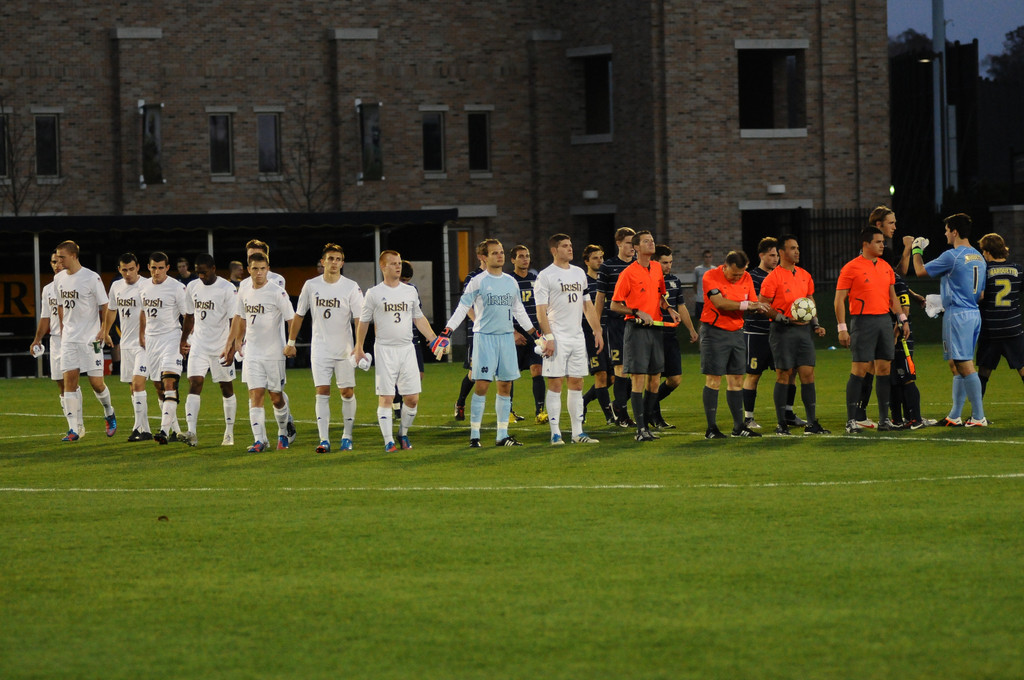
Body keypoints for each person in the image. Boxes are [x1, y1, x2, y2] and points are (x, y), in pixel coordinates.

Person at [438, 238, 541, 447]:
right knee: (482, 385)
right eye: (494, 253)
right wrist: (446, 332)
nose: (500, 255)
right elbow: (462, 307)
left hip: (506, 339)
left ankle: (502, 435)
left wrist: (535, 334)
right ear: (484, 257)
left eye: (501, 252)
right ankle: (474, 436)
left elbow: (518, 311)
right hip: (485, 338)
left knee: (505, 385)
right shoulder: (478, 281)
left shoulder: (510, 281)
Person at [353, 250, 443, 452]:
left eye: (399, 263)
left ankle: (403, 433)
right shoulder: (374, 293)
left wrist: (434, 339)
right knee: (386, 397)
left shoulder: (410, 291)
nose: (398, 266)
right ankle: (388, 441)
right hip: (385, 350)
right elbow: (364, 321)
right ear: (383, 266)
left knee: (412, 398)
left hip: (407, 349)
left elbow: (418, 318)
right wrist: (358, 347)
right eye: (393, 263)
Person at [285, 244, 364, 453]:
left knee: (347, 392)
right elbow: (299, 314)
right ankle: (324, 440)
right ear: (323, 262)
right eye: (330, 258)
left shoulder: (351, 286)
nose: (334, 262)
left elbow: (359, 319)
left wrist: (359, 346)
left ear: (342, 263)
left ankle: (347, 436)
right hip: (320, 348)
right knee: (322, 391)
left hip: (345, 349)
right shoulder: (311, 285)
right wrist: (291, 342)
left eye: (338, 259)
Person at [911, 214, 987, 426]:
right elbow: (980, 294)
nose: (945, 233)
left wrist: (917, 249)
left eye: (946, 230)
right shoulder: (979, 257)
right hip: (973, 312)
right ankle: (954, 415)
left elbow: (920, 271)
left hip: (958, 315)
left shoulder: (952, 255)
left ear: (954, 231)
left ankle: (979, 417)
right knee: (957, 364)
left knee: (964, 364)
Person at [834, 227, 909, 433]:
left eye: (882, 242)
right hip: (862, 322)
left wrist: (902, 319)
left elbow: (893, 297)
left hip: (884, 321)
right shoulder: (851, 268)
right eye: (878, 242)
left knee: (884, 369)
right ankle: (852, 421)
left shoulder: (885, 267)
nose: (882, 245)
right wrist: (842, 328)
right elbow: (839, 299)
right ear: (865, 244)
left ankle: (884, 420)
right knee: (859, 370)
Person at [610, 230, 681, 441]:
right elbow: (615, 304)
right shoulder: (628, 273)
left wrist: (669, 308)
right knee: (639, 379)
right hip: (637, 330)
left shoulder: (657, 268)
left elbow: (660, 295)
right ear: (636, 248)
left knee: (655, 378)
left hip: (656, 329)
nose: (652, 243)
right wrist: (635, 311)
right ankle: (640, 430)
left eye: (652, 240)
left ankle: (648, 424)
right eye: (647, 241)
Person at [534, 233, 604, 444]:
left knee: (577, 382)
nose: (570, 249)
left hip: (577, 337)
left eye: (571, 245)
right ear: (554, 250)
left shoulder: (578, 273)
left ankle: (577, 433)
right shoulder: (545, 276)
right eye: (565, 246)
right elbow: (540, 311)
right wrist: (548, 337)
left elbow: (587, 304)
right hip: (557, 336)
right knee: (555, 383)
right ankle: (555, 433)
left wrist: (597, 330)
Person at [222, 251, 296, 451]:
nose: (259, 273)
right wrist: (237, 341)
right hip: (252, 351)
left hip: (274, 353)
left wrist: (291, 342)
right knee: (255, 395)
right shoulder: (244, 290)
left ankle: (283, 433)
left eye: (263, 269)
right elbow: (241, 317)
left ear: (268, 270)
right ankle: (259, 440)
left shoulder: (276, 292)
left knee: (276, 397)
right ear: (249, 270)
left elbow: (292, 318)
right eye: (255, 269)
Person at [758, 235, 829, 435]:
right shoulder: (773, 278)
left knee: (808, 374)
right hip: (782, 332)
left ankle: (812, 423)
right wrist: (783, 319)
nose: (797, 251)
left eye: (797, 248)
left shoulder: (805, 275)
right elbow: (763, 305)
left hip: (803, 332)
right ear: (781, 252)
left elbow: (809, 301)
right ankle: (781, 424)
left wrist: (816, 324)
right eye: (792, 248)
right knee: (784, 375)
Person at [698, 250, 772, 438]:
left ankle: (738, 427)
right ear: (725, 266)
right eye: (734, 274)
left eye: (740, 274)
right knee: (714, 379)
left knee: (737, 380)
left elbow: (753, 302)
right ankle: (711, 428)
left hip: (737, 332)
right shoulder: (710, 276)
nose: (737, 277)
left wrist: (760, 307)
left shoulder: (746, 277)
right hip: (714, 332)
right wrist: (748, 305)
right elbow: (720, 303)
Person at [53, 240, 117, 441]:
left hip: (90, 340)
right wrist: (64, 330)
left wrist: (104, 330)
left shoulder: (91, 278)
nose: (58, 260)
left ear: (73, 256)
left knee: (97, 384)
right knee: (68, 383)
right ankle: (74, 429)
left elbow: (105, 305)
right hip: (70, 340)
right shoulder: (59, 279)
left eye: (62, 256)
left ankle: (109, 411)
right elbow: (62, 305)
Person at [182, 254, 239, 447]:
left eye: (204, 273)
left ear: (213, 269)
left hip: (221, 347)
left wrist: (231, 348)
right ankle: (192, 432)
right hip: (199, 345)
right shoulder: (192, 287)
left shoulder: (227, 289)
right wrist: (183, 340)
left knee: (226, 388)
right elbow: (189, 316)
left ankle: (229, 432)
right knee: (195, 383)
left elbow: (234, 320)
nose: (201, 277)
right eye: (198, 273)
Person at [139, 252, 194, 445]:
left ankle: (162, 430)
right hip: (152, 342)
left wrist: (185, 340)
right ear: (149, 267)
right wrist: (141, 334)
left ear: (167, 268)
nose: (157, 272)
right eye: (153, 268)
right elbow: (143, 312)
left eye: (161, 268)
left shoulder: (177, 288)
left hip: (172, 338)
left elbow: (188, 315)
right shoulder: (143, 286)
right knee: (159, 387)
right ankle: (175, 430)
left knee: (170, 383)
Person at [30, 250, 80, 436]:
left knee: (72, 383)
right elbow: (45, 317)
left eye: (60, 261)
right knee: (61, 383)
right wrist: (37, 339)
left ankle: (76, 426)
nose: (57, 264)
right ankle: (74, 425)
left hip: (73, 339)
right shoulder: (48, 289)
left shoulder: (75, 284)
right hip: (56, 341)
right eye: (53, 262)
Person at [102, 253, 150, 441]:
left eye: (131, 269)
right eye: (124, 270)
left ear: (138, 267)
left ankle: (139, 428)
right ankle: (144, 428)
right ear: (119, 270)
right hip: (126, 343)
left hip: (144, 343)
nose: (128, 273)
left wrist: (145, 335)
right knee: (133, 387)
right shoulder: (116, 286)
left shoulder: (147, 285)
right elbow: (112, 309)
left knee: (139, 384)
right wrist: (106, 331)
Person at [650, 244, 698, 429]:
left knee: (674, 379)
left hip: (670, 335)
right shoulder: (649, 280)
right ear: (655, 262)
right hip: (653, 334)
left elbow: (681, 307)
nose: (668, 266)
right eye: (664, 262)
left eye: (670, 262)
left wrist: (691, 329)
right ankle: (654, 416)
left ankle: (649, 405)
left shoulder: (675, 281)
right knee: (652, 379)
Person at [593, 227, 637, 427]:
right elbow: (600, 298)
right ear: (619, 243)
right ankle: (622, 414)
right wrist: (597, 326)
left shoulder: (639, 265)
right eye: (628, 243)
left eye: (633, 243)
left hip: (637, 323)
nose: (632, 247)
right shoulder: (608, 267)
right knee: (620, 368)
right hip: (616, 323)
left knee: (636, 369)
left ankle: (618, 405)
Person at [976, 233, 1024, 396]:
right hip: (1012, 328)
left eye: (983, 251)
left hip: (991, 330)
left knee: (983, 372)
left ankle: (977, 414)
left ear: (988, 251)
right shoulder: (1018, 270)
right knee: (1022, 368)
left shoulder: (984, 271)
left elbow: (979, 297)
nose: (982, 254)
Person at [742, 237, 779, 429]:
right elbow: (749, 303)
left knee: (786, 373)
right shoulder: (751, 277)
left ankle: (787, 414)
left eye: (777, 255)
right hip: (756, 333)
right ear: (761, 255)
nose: (775, 259)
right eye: (772, 255)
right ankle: (748, 417)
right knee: (753, 374)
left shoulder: (780, 275)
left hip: (778, 333)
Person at [509, 245, 547, 423]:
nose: (525, 259)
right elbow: (504, 310)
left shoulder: (536, 280)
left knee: (537, 369)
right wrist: (513, 332)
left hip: (534, 334)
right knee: (509, 374)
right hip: (514, 334)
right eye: (521, 256)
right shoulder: (508, 281)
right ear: (513, 260)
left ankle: (540, 411)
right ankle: (508, 412)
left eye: (527, 256)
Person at [580, 244, 616, 425]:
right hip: (591, 335)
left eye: (601, 257)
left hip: (610, 333)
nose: (600, 261)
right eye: (595, 258)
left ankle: (583, 401)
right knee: (601, 375)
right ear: (586, 261)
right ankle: (610, 417)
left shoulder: (607, 282)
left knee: (612, 377)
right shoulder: (582, 283)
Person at [453, 251, 485, 421]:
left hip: (498, 334)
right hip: (478, 332)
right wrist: (479, 322)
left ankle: (508, 411)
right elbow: (466, 305)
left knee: (505, 374)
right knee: (475, 373)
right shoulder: (473, 277)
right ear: (481, 256)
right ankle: (460, 402)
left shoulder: (501, 277)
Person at [692, 249, 714, 321]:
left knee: (712, 320)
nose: (708, 259)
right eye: (706, 257)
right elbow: (695, 283)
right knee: (700, 320)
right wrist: (697, 294)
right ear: (703, 258)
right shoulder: (697, 269)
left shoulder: (715, 269)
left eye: (709, 257)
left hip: (711, 300)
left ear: (712, 258)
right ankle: (699, 333)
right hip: (700, 299)